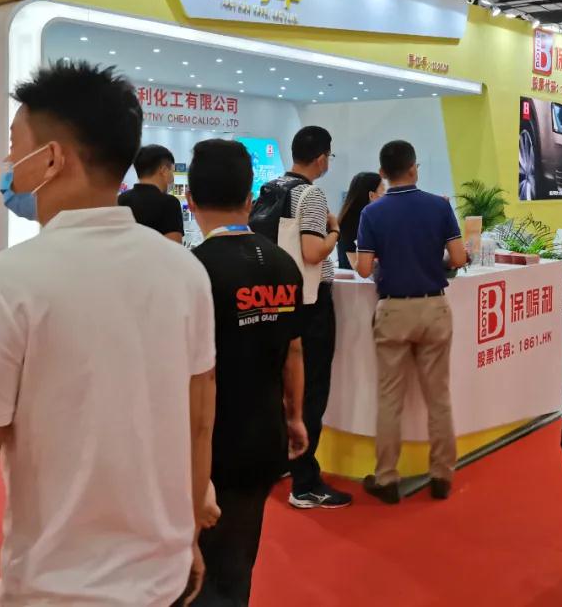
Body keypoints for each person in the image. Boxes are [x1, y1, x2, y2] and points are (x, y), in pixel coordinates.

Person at [0, 62, 217, 607]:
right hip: (164, 580)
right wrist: (188, 534)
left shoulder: (3, 284)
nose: (8, 164)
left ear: (50, 159)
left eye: (14, 147)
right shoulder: (185, 271)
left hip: (57, 591)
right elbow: (198, 422)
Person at [187, 139, 309, 606]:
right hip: (265, 434)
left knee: (196, 567)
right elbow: (294, 349)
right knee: (239, 556)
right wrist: (294, 417)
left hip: (209, 445)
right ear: (249, 199)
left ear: (191, 200)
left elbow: (196, 376)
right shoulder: (283, 264)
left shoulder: (193, 271)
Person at [354, 140, 468, 504]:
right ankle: (441, 475)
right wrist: (433, 261)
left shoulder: (372, 213)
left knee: (390, 399)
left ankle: (387, 478)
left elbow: (363, 267)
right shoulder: (439, 206)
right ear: (414, 168)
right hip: (434, 307)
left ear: (383, 173)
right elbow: (459, 257)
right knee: (439, 397)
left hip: (393, 311)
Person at [260, 126, 352, 509]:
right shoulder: (310, 195)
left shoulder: (272, 189)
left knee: (283, 389)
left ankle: (284, 461)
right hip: (311, 303)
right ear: (321, 158)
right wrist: (335, 231)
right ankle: (305, 483)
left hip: (279, 300)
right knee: (311, 391)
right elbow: (313, 253)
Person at [118, 144, 185, 242]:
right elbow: (175, 245)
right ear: (164, 170)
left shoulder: (121, 200)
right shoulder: (169, 203)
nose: (172, 177)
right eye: (172, 171)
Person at [337, 171, 384, 270]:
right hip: (356, 278)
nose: (386, 196)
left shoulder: (370, 219)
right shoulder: (350, 223)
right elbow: (358, 267)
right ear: (371, 195)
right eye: (383, 189)